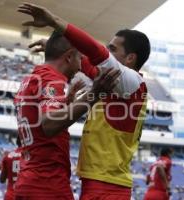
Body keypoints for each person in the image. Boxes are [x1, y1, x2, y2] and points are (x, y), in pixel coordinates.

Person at [18, 3, 150, 199]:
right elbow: (84, 61)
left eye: (112, 49)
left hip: (109, 187)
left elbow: (94, 53)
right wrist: (58, 50)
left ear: (130, 58)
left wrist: (56, 22)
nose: (106, 53)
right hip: (96, 183)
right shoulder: (110, 82)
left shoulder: (132, 82)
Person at [13, 24, 121, 199]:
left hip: (29, 181)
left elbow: (34, 129)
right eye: (80, 59)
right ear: (69, 57)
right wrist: (94, 95)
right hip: (47, 184)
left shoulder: (32, 78)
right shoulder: (52, 78)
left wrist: (69, 100)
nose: (80, 67)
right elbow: (48, 124)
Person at [0, 135, 22, 200]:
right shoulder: (30, 156)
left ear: (17, 142)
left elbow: (2, 180)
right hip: (24, 195)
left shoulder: (8, 156)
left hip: (10, 195)